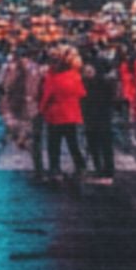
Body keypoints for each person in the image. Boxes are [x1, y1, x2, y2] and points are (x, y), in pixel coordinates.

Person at [37, 50, 87, 190]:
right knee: (73, 143)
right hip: (71, 115)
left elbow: (47, 96)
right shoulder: (75, 76)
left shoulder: (52, 78)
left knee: (54, 145)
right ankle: (80, 166)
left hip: (55, 115)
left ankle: (55, 169)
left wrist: (41, 111)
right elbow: (82, 93)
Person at [85, 52, 120, 185]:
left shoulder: (96, 83)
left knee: (99, 145)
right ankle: (104, 170)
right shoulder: (107, 82)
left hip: (97, 118)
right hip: (101, 117)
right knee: (103, 145)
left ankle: (103, 170)